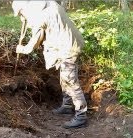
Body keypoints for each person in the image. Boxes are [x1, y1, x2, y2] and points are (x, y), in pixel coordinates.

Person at [12, 0, 87, 129]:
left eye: (21, 13)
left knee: (69, 80)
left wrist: (22, 49)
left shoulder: (39, 15)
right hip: (67, 43)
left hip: (68, 47)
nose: (21, 16)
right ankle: (67, 106)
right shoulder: (48, 4)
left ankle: (81, 116)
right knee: (64, 78)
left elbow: (35, 40)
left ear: (24, 9)